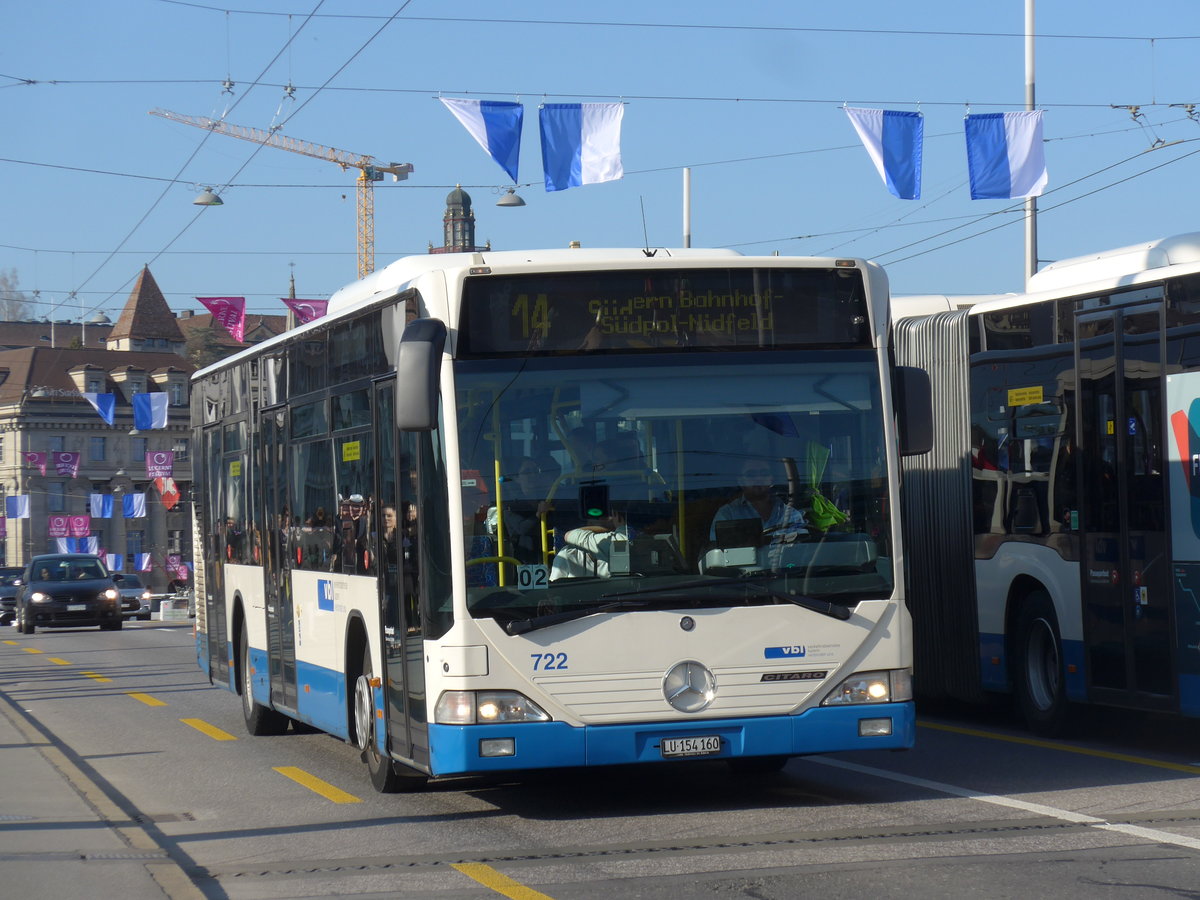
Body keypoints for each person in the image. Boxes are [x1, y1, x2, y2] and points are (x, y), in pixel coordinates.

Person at [708, 459, 807, 570]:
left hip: (786, 578)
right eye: (751, 474)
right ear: (741, 481)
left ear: (771, 479)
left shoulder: (791, 515)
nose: (758, 478)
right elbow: (717, 556)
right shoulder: (727, 514)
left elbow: (802, 552)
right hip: (739, 582)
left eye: (764, 473)